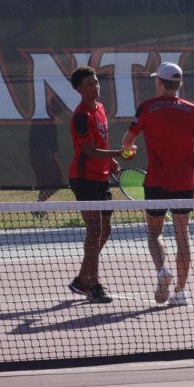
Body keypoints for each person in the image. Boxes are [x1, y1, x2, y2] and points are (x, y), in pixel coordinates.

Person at [121, 62, 194, 306]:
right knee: (182, 236)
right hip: (183, 184)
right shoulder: (193, 111)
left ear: (160, 83)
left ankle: (162, 271)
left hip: (156, 183)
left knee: (154, 232)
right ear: (179, 84)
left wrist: (129, 150)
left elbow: (127, 141)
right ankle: (180, 292)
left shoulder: (147, 108)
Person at [67, 66, 135, 304]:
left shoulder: (101, 109)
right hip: (84, 179)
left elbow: (101, 144)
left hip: (101, 177)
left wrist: (113, 161)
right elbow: (90, 151)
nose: (95, 87)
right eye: (89, 84)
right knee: (94, 229)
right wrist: (120, 151)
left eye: (96, 82)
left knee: (105, 230)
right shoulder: (81, 117)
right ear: (78, 89)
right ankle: (93, 284)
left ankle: (81, 279)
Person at [29, 95, 68, 217]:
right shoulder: (44, 116)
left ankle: (39, 207)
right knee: (57, 183)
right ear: (55, 104)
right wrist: (49, 157)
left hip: (43, 155)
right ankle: (38, 206)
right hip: (42, 157)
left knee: (45, 183)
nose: (63, 110)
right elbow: (41, 140)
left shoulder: (46, 115)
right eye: (61, 106)